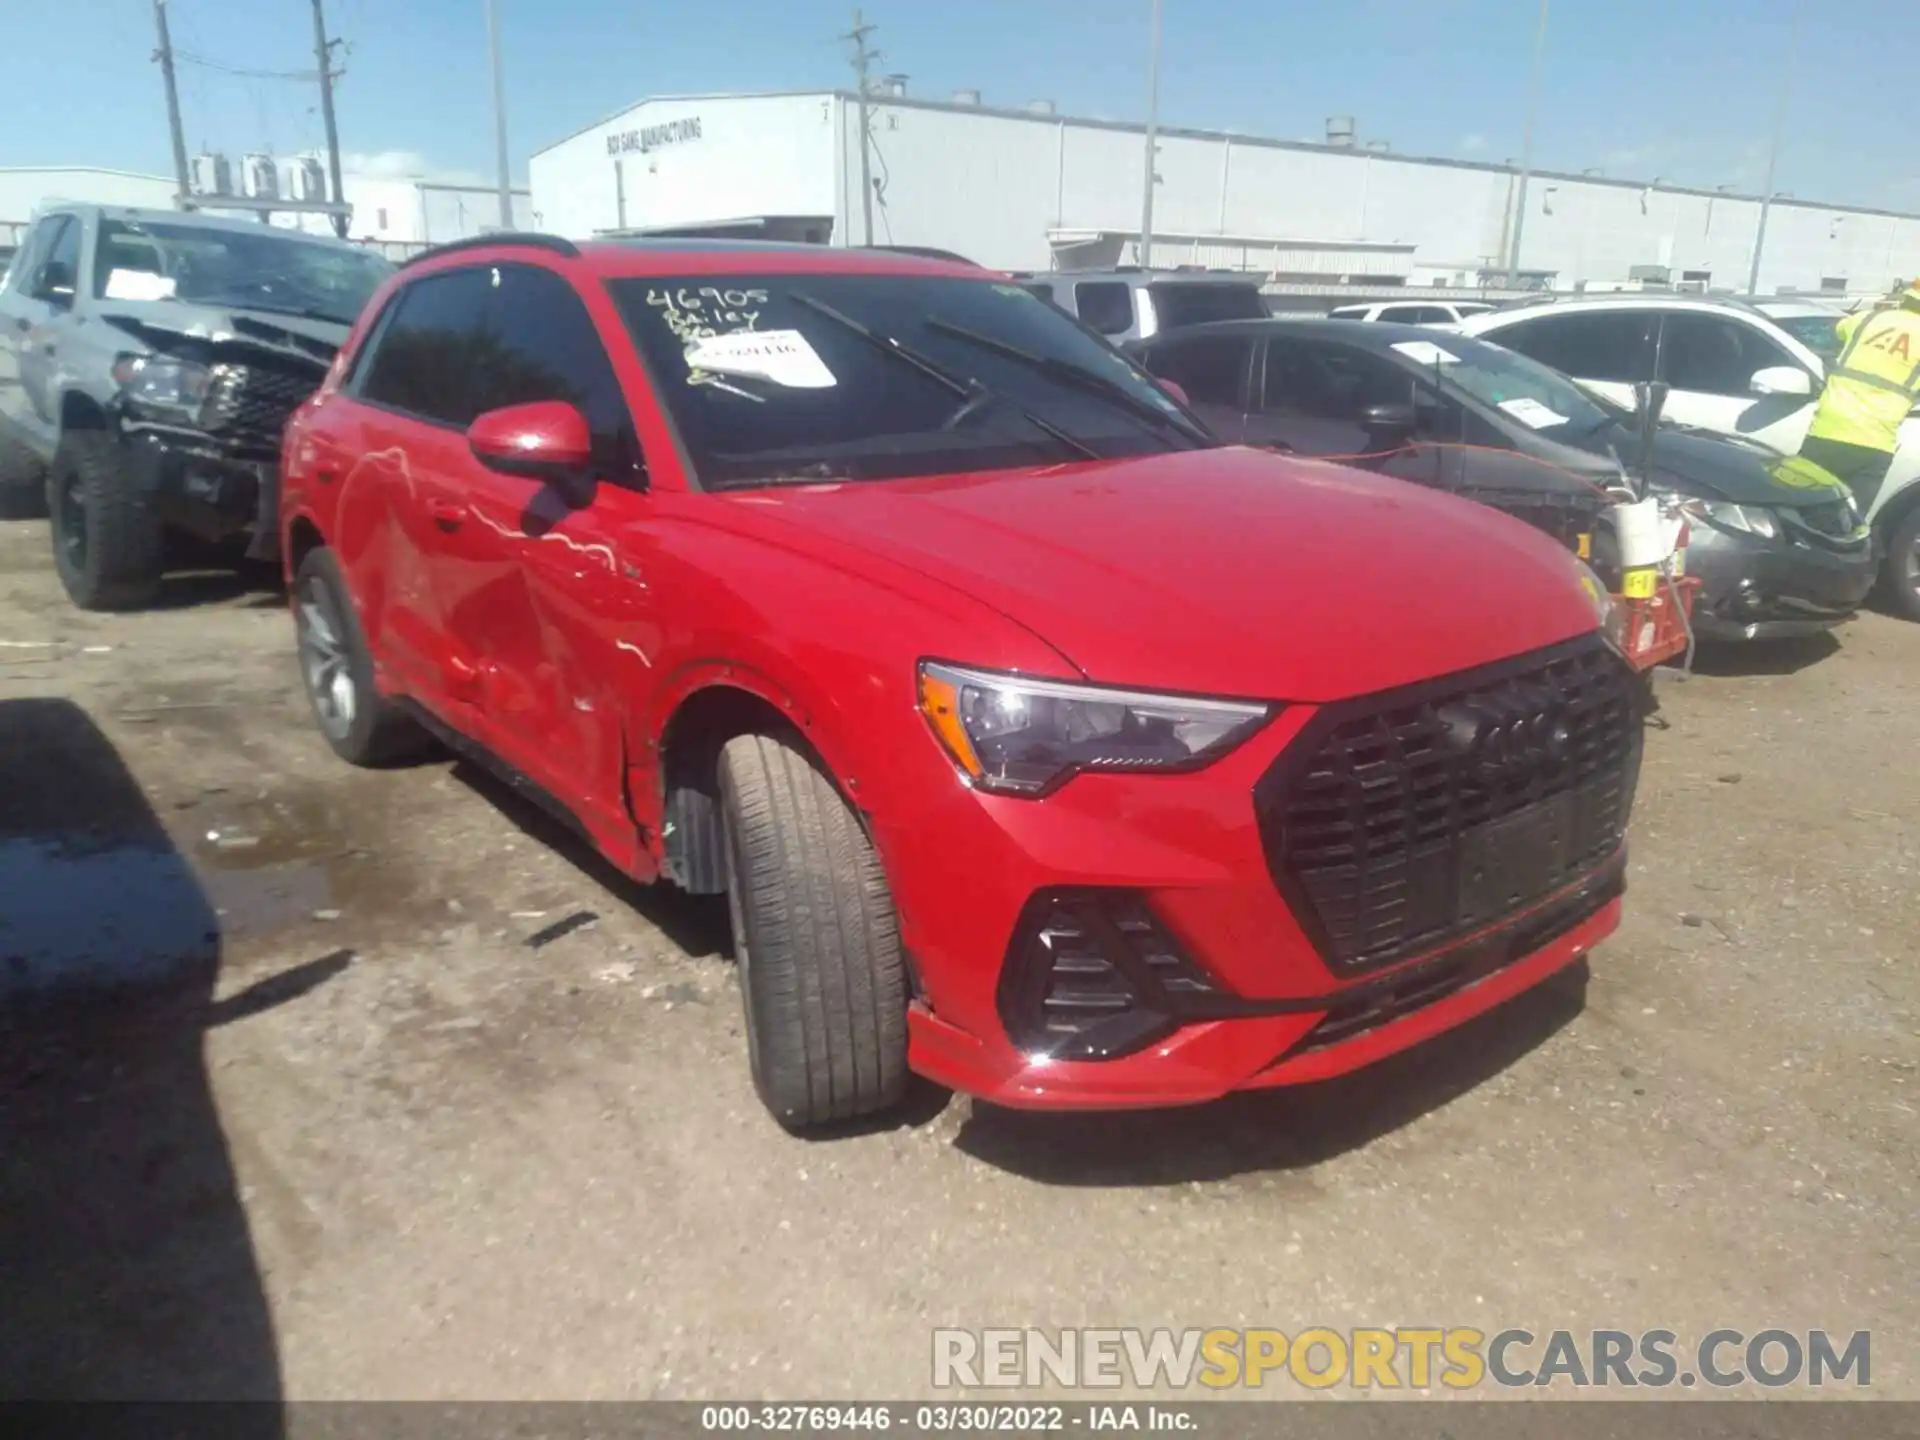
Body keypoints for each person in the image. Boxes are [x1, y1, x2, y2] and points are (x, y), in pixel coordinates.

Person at [1795, 280, 1920, 512]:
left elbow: (1836, 332)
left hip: (1826, 433)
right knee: (1849, 524)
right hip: (1876, 442)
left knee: (1803, 516)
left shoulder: (1866, 319)